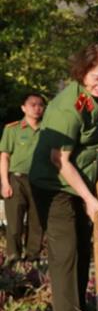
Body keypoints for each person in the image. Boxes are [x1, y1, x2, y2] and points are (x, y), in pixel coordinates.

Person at [29, 43, 98, 311]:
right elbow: (59, 159)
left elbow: (94, 136)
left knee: (83, 252)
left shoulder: (95, 100)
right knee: (66, 256)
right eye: (97, 77)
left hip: (80, 183)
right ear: (82, 72)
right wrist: (89, 198)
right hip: (55, 186)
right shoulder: (67, 107)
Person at [1, 92, 46, 264]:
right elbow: (4, 156)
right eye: (33, 104)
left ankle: (32, 259)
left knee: (37, 222)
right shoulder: (12, 129)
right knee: (15, 222)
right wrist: (5, 182)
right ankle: (13, 258)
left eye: (40, 105)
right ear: (23, 108)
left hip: (40, 181)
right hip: (17, 180)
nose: (37, 108)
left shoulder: (47, 130)